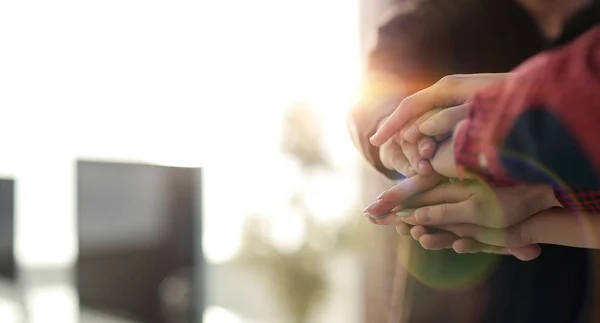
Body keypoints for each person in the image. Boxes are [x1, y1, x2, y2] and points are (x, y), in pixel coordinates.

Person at [350, 0, 598, 321]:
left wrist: (459, 150)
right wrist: (397, 131)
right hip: (450, 302)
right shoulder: (443, 19)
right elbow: (371, 93)